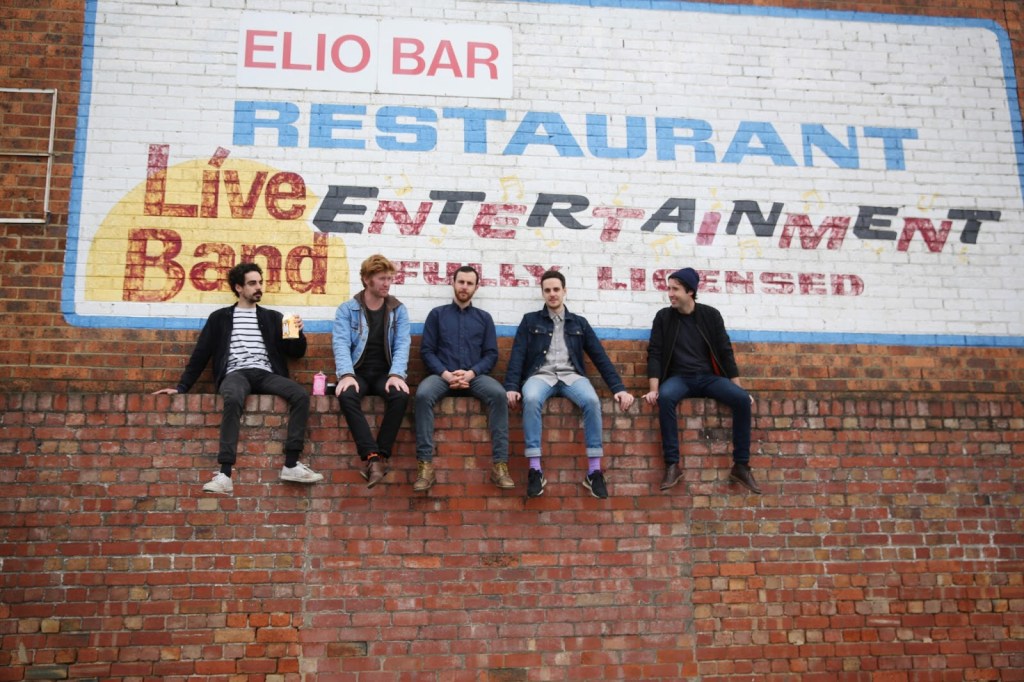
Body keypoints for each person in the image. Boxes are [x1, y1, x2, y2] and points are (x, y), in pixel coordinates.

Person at [153, 262, 322, 495]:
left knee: (300, 395)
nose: (258, 287)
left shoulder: (275, 318)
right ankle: (224, 474)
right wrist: (181, 388)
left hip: (265, 374)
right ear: (239, 288)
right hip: (235, 373)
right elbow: (201, 355)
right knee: (232, 397)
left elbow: (296, 353)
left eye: (260, 283)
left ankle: (291, 464)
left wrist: (298, 333)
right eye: (252, 283)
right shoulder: (220, 318)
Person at [504, 270, 635, 499]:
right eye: (547, 290)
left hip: (571, 376)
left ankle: (594, 472)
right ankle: (535, 469)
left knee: (592, 401)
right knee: (532, 398)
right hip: (540, 375)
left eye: (556, 289)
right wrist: (512, 387)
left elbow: (600, 357)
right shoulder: (530, 321)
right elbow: (518, 354)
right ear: (542, 293)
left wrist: (619, 389)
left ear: (565, 291)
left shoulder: (579, 323)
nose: (552, 294)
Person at [642, 267, 760, 494]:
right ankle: (672, 465)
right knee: (665, 398)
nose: (670, 294)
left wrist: (738, 389)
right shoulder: (663, 317)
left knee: (742, 400)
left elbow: (726, 352)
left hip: (708, 378)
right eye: (669, 289)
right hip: (679, 378)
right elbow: (654, 353)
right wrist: (653, 389)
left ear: (690, 291)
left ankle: (742, 465)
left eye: (675, 289)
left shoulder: (710, 315)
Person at [414, 266, 513, 492]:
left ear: (476, 288)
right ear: (453, 283)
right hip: (442, 376)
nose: (464, 287)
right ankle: (425, 467)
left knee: (498, 395)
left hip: (475, 377)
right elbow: (427, 351)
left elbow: (491, 354)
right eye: (461, 282)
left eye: (469, 283)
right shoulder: (437, 315)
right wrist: (447, 375)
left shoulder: (484, 318)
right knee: (422, 395)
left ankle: (500, 466)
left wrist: (471, 373)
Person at [332, 254, 411, 488]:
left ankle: (381, 456)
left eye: (389, 278)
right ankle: (372, 457)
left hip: (384, 374)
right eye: (381, 279)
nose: (387, 283)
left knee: (400, 395)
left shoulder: (398, 309)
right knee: (346, 395)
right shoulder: (348, 309)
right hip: (357, 371)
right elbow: (340, 343)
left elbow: (402, 344)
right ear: (367, 280)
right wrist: (346, 375)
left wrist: (397, 374)